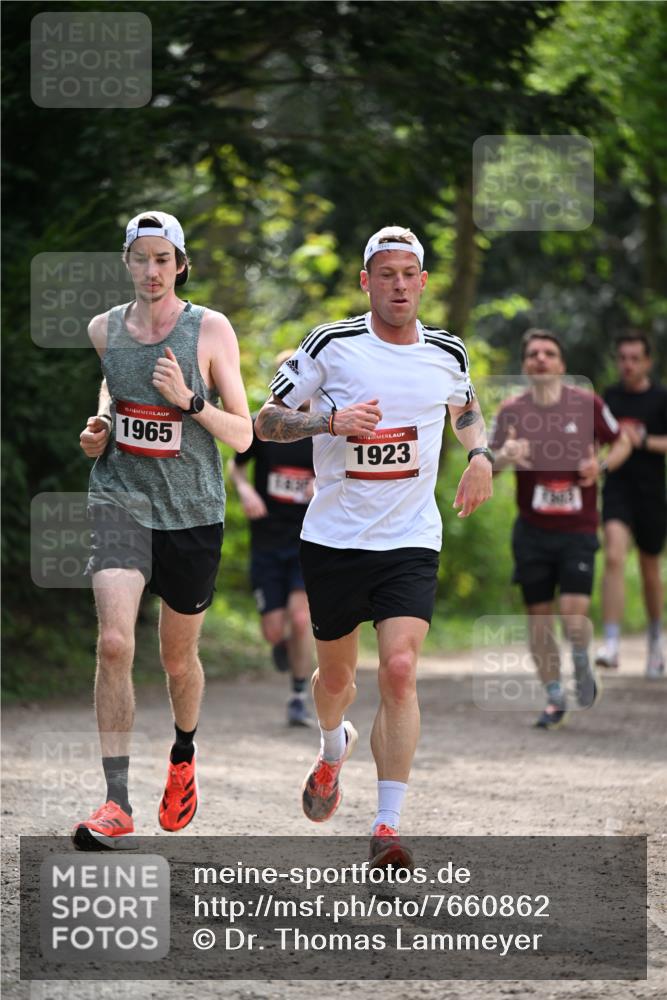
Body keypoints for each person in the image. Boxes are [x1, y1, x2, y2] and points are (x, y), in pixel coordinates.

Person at [255, 225, 493, 868]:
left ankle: (387, 826)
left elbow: (464, 407)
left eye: (408, 273)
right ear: (367, 281)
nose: (398, 284)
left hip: (410, 538)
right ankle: (334, 749)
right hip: (334, 538)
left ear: (422, 282)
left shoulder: (447, 351)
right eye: (385, 273)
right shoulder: (331, 345)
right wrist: (328, 421)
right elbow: (265, 421)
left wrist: (480, 455)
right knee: (335, 680)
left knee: (398, 670)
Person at [75, 211, 252, 848]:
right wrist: (100, 427)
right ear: (127, 262)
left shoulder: (210, 329)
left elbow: (244, 433)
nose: (151, 271)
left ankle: (182, 756)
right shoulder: (104, 329)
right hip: (120, 500)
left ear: (180, 264)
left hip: (193, 515)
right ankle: (115, 800)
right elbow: (113, 389)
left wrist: (190, 401)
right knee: (115, 644)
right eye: (140, 258)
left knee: (176, 659)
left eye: (163, 259)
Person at [490, 329, 632, 730]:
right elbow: (490, 467)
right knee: (539, 619)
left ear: (561, 364)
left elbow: (620, 442)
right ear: (524, 365)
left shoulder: (587, 404)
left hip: (577, 529)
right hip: (532, 531)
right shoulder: (512, 411)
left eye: (548, 353)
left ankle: (583, 666)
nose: (540, 359)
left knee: (573, 615)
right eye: (532, 354)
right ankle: (554, 696)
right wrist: (506, 455)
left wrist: (600, 467)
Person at [228, 357, 315, 727]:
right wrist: (247, 491)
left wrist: (322, 485)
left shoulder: (324, 425)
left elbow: (346, 471)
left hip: (306, 539)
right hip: (266, 538)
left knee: (300, 618)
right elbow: (237, 466)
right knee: (273, 629)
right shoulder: (263, 424)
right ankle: (282, 646)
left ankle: (298, 695)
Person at [596, 332, 667, 678]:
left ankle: (656, 642)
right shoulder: (609, 397)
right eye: (623, 358)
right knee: (612, 555)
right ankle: (610, 643)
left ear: (647, 362)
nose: (627, 364)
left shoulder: (661, 397)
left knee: (650, 569)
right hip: (618, 488)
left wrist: (643, 440)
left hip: (652, 492)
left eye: (634, 358)